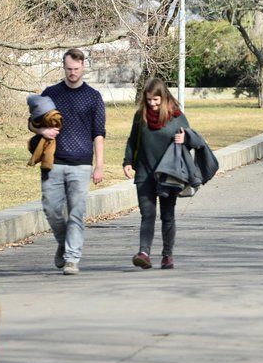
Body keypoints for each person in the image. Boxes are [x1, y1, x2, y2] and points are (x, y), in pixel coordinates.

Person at [31, 48, 106, 275]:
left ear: (83, 66)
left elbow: (99, 133)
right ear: (63, 67)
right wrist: (42, 129)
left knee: (76, 212)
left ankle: (72, 258)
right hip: (52, 161)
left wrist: (99, 165)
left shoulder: (93, 96)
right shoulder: (51, 93)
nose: (72, 73)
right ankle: (64, 244)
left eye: (76, 69)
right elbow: (31, 122)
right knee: (51, 209)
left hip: (81, 163)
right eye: (69, 68)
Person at [123, 78, 190, 270]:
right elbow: (132, 140)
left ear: (164, 97)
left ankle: (167, 255)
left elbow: (192, 137)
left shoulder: (176, 116)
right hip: (145, 173)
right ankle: (144, 253)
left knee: (167, 215)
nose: (152, 104)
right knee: (148, 214)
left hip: (169, 175)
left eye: (156, 100)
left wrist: (185, 138)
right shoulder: (140, 116)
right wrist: (127, 162)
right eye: (149, 100)